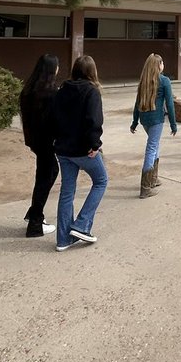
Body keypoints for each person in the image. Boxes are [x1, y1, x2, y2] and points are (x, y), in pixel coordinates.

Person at [51, 55, 108, 251]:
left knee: (67, 192)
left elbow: (54, 118)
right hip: (83, 149)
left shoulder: (62, 90)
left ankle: (63, 239)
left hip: (63, 149)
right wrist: (95, 145)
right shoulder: (91, 91)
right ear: (92, 71)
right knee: (101, 181)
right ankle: (82, 225)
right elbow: (94, 120)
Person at [19, 54, 60, 237]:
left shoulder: (28, 90)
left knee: (46, 174)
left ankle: (34, 213)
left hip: (35, 141)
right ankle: (36, 222)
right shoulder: (50, 93)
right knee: (46, 176)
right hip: (47, 142)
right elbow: (55, 120)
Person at [130, 53, 177, 198]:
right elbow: (169, 104)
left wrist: (134, 122)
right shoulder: (164, 81)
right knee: (151, 148)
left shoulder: (143, 81)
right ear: (158, 66)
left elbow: (137, 103)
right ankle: (145, 188)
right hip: (156, 119)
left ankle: (153, 179)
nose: (164, 65)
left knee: (155, 145)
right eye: (162, 63)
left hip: (145, 119)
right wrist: (173, 124)